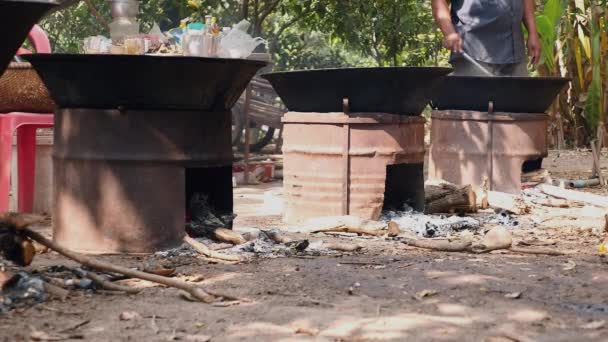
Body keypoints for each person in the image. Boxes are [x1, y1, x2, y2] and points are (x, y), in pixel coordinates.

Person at [431, 0, 541, 76]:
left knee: (517, 106)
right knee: (476, 106)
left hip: (515, 51)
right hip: (474, 53)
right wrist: (449, 32)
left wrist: (533, 32)